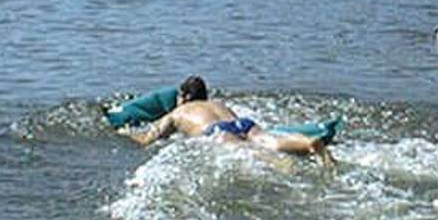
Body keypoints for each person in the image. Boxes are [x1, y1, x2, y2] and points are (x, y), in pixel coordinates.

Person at [127, 75, 333, 162]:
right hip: (242, 123)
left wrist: (125, 133)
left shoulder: (178, 113)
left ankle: (280, 164)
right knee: (269, 141)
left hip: (217, 131)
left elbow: (148, 139)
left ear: (185, 97)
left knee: (250, 152)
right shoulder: (217, 104)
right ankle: (308, 143)